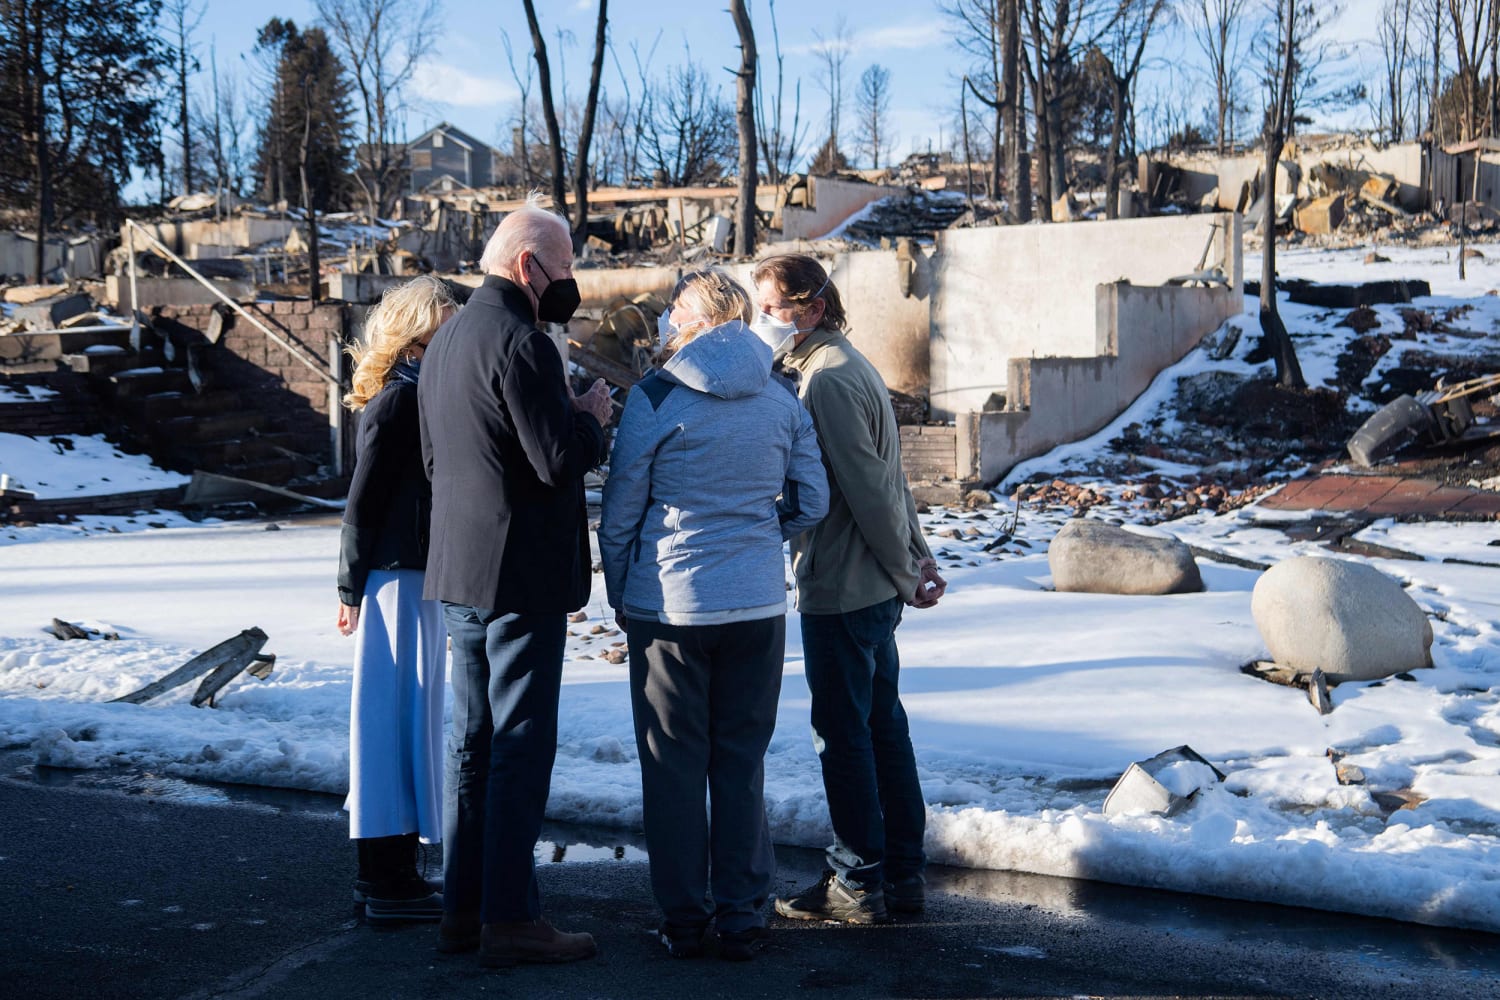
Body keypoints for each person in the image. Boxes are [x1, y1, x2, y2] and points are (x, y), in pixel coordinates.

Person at [599, 269, 827, 961]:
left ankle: (685, 919)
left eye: (674, 312)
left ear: (695, 323)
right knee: (739, 763)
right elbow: (811, 500)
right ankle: (741, 914)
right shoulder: (781, 395)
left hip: (669, 605)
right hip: (756, 604)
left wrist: (621, 588)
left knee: (672, 765)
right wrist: (760, 532)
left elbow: (620, 512)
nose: (666, 321)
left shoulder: (656, 396)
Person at [417, 194, 612, 968]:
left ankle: (462, 910)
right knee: (520, 744)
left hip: (458, 567)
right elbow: (556, 461)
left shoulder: (447, 337)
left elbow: (441, 462)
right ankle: (511, 917)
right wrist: (589, 416)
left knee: (471, 746)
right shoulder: (526, 344)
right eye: (564, 269)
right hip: (520, 578)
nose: (570, 282)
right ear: (528, 267)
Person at [752, 254, 948, 925]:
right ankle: (903, 875)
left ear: (808, 308)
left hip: (845, 583)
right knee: (882, 727)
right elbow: (891, 483)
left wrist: (907, 567)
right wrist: (915, 559)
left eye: (771, 306)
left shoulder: (828, 380)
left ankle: (857, 882)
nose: (763, 319)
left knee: (847, 736)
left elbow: (869, 489)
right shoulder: (840, 364)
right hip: (867, 582)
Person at [336, 275, 458, 924]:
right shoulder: (397, 404)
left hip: (410, 575)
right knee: (393, 723)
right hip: (396, 579)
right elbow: (363, 504)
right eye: (444, 330)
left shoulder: (410, 398)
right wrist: (349, 586)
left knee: (403, 721)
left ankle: (392, 873)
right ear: (415, 341)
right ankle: (386, 877)